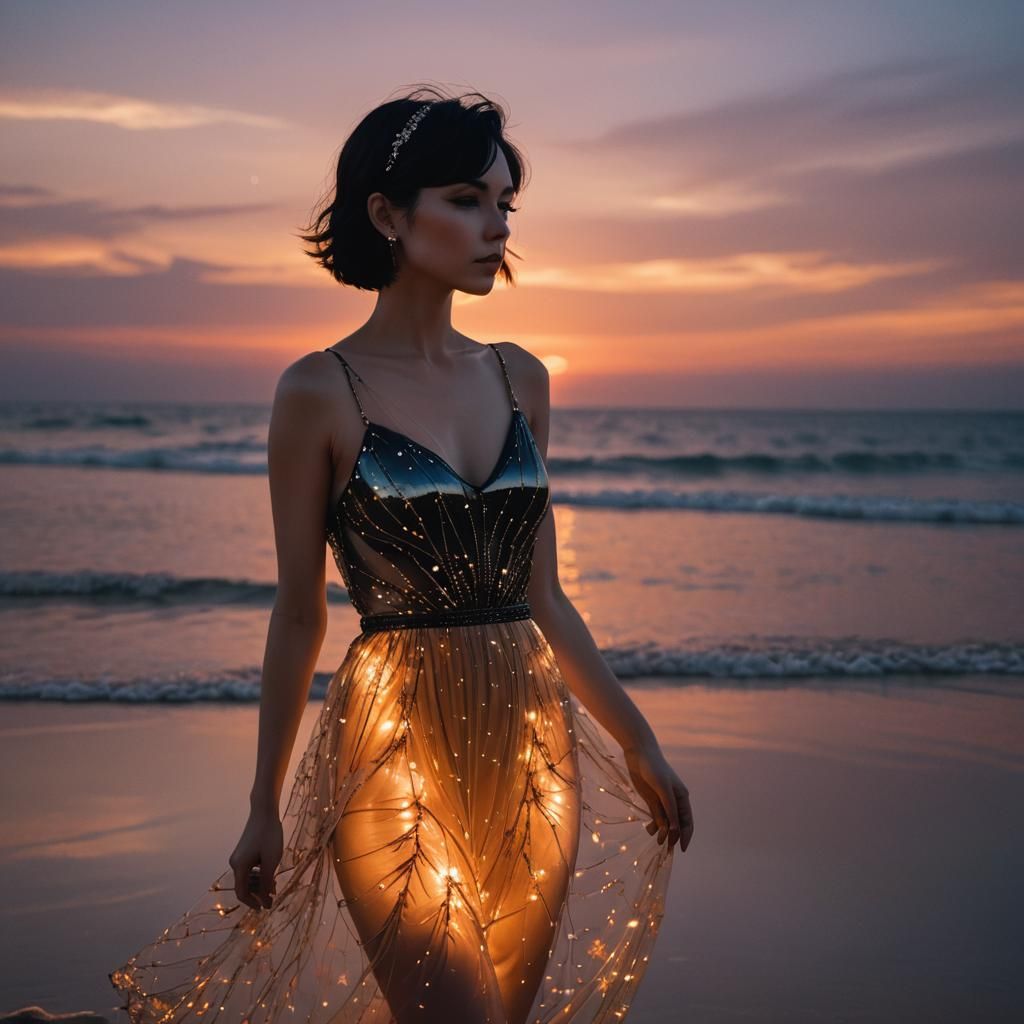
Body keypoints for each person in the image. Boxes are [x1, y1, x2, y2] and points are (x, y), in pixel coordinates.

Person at [109, 84, 693, 1024]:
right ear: (387, 213)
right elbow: (300, 609)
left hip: (534, 747)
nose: (496, 224)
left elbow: (544, 594)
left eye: (505, 204)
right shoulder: (318, 391)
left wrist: (641, 741)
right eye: (467, 199)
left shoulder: (521, 375)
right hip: (390, 745)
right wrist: (263, 803)